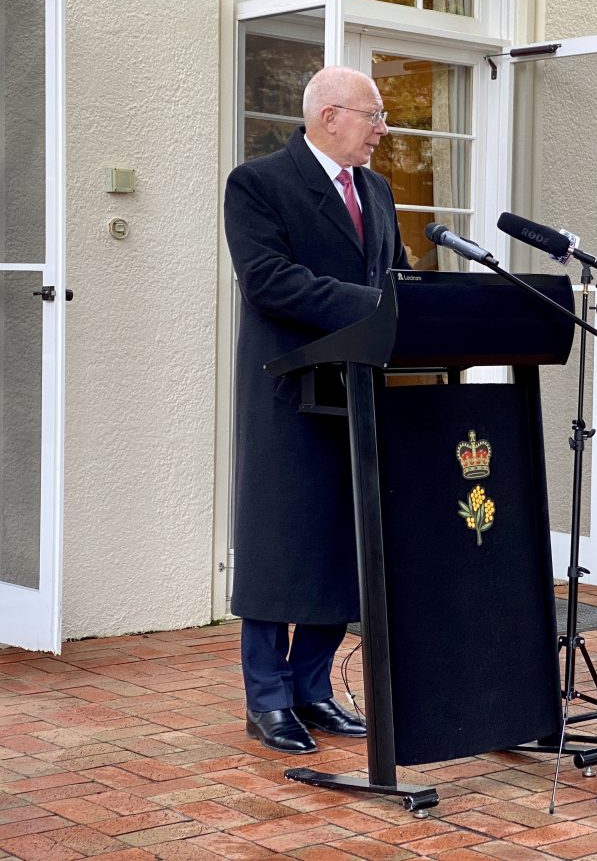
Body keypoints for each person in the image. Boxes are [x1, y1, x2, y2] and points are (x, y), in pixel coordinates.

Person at [224, 66, 408, 753]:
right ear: (330, 116)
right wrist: (378, 306)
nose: (382, 131)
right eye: (374, 116)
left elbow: (393, 270)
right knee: (281, 545)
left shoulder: (379, 191)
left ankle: (312, 686)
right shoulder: (259, 183)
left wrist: (413, 300)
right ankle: (266, 698)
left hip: (357, 393)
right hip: (288, 396)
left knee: (342, 547)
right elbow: (271, 281)